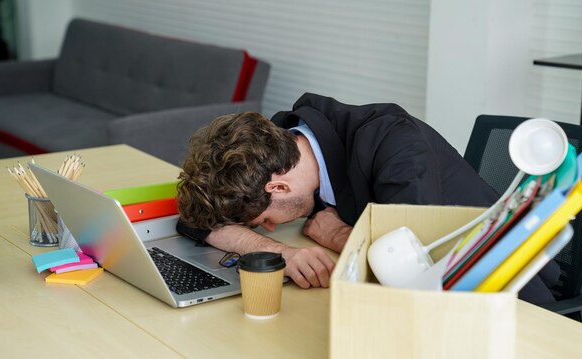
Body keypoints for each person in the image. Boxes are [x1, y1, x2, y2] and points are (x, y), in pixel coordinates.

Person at [177, 93, 558, 305]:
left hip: (507, 296)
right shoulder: (282, 141)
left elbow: (414, 270)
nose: (273, 226)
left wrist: (340, 237)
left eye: (263, 219)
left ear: (277, 188)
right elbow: (194, 220)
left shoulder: (397, 149)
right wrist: (278, 251)